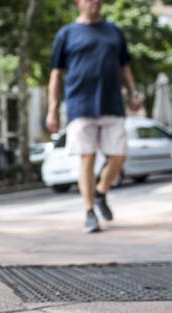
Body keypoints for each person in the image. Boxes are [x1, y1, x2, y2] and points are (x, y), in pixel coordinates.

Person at [46, 0, 142, 233]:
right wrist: (52, 108)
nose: (94, 2)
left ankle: (100, 193)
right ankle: (89, 212)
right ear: (79, 2)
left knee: (119, 155)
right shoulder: (66, 34)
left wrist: (133, 93)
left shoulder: (114, 30)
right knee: (86, 158)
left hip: (111, 102)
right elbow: (56, 74)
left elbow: (125, 67)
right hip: (80, 104)